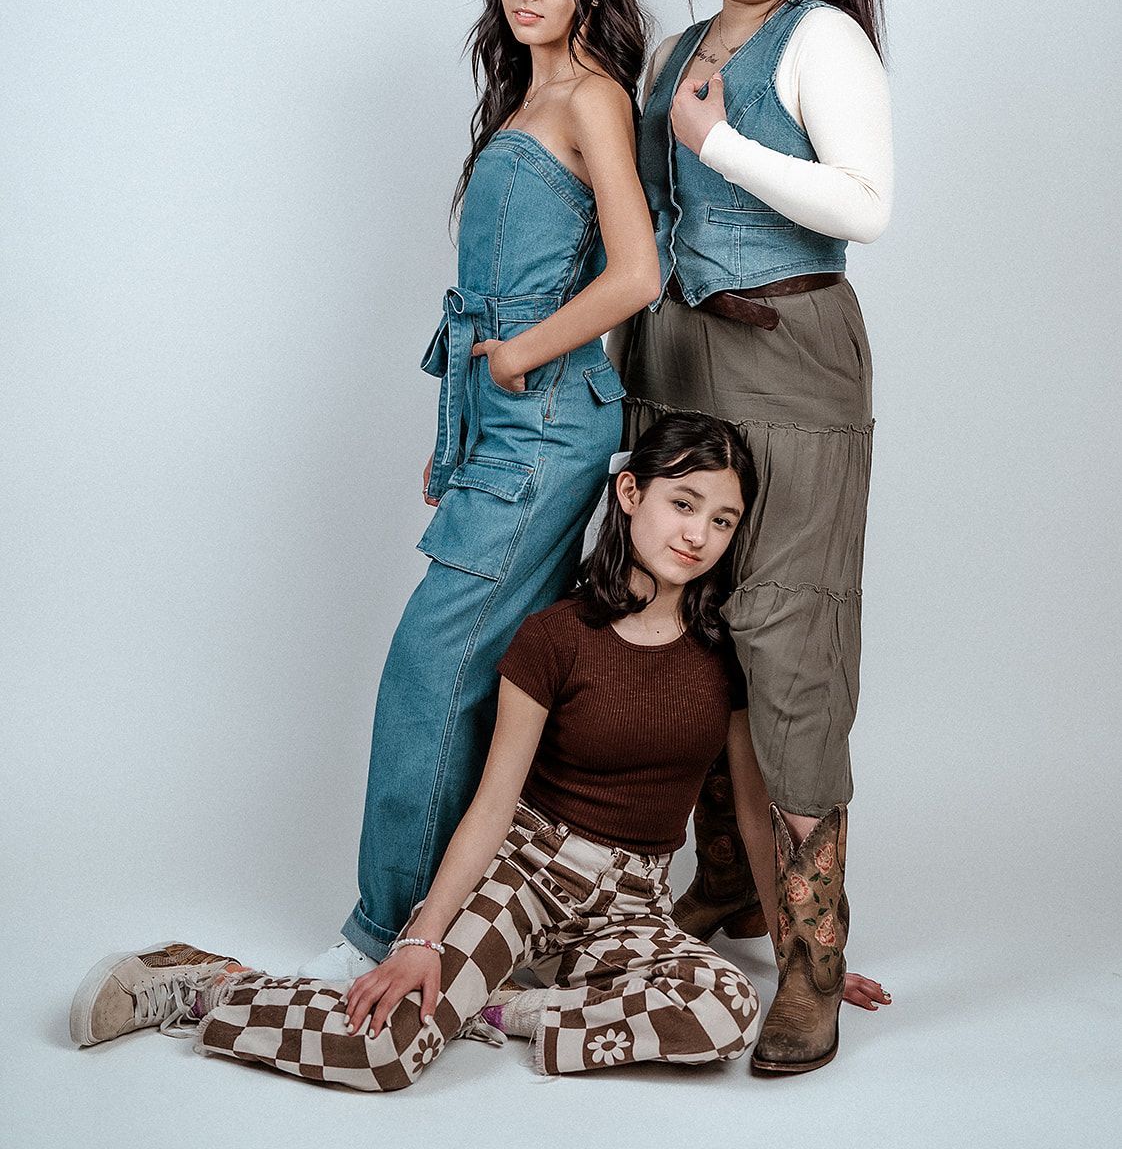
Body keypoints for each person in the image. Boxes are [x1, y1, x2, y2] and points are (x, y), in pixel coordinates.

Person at [69, 414, 889, 1088]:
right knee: (380, 1054)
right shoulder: (554, 636)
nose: (698, 535)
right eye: (684, 503)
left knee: (724, 1012)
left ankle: (503, 1011)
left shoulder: (725, 662)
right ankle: (199, 983)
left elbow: (752, 820)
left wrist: (803, 958)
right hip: (526, 875)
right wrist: (423, 937)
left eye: (723, 520)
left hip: (629, 904)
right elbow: (493, 804)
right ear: (631, 492)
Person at [300, 0, 662, 982]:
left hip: (546, 418)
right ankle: (471, 921)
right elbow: (495, 289)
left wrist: (515, 359)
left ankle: (384, 934)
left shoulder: (593, 97)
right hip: (506, 421)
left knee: (431, 665)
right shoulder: (528, 96)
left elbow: (639, 273)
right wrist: (458, 422)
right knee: (501, 668)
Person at [613, 0, 893, 1075]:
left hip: (787, 347)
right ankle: (727, 884)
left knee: (788, 631)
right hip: (677, 357)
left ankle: (813, 961)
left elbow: (868, 205)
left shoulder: (821, 38)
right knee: (698, 617)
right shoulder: (680, 43)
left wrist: (719, 143)